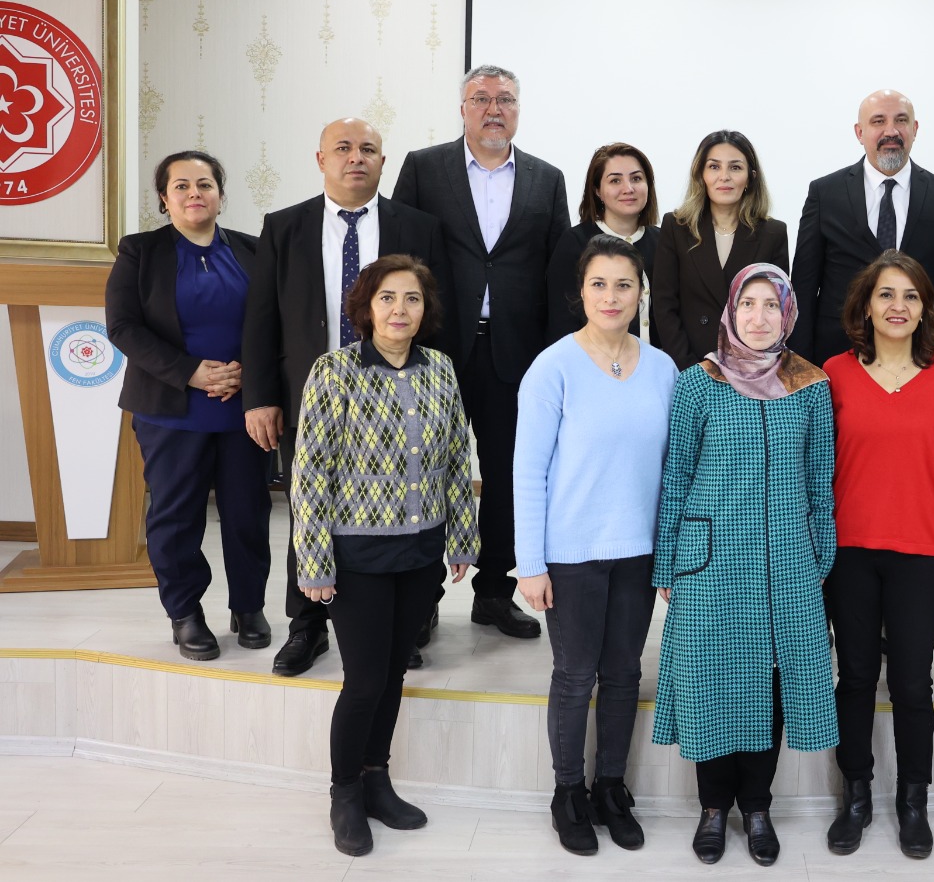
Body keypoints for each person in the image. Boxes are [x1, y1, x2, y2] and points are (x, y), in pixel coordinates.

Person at [243, 118, 451, 677]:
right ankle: (308, 625)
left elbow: (434, 316)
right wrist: (260, 396)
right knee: (310, 504)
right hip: (315, 395)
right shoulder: (285, 226)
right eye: (343, 148)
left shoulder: (417, 226)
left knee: (401, 505)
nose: (355, 157)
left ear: (383, 161)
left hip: (398, 394)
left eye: (368, 149)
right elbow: (261, 317)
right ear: (321, 160)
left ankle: (403, 624)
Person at [291, 254, 479, 858]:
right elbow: (310, 472)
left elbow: (457, 459)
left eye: (412, 299)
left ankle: (377, 778)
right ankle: (344, 791)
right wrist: (314, 562)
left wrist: (462, 537)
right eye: (388, 298)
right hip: (357, 556)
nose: (400, 310)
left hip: (420, 552)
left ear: (426, 310)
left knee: (394, 674)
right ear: (366, 307)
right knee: (365, 680)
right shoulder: (334, 371)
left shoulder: (441, 369)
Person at [652, 263, 836, 868]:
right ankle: (712, 808)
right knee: (711, 679)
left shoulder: (809, 385)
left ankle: (757, 807)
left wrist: (821, 554)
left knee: (771, 683)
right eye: (749, 304)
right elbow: (676, 476)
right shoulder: (698, 383)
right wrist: (668, 563)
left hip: (788, 563)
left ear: (788, 314)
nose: (760, 317)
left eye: (771, 304)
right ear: (731, 311)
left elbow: (820, 481)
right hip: (709, 562)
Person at [391, 64, 570, 641]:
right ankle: (421, 599)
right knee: (424, 472)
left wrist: (555, 356)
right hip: (437, 350)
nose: (495, 109)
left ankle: (493, 591)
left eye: (506, 99)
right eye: (482, 98)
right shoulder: (424, 168)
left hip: (516, 354)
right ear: (463, 108)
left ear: (519, 109)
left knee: (508, 476)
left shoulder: (547, 178)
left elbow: (559, 273)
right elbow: (399, 256)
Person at [514, 237, 677, 855]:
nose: (612, 297)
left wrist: (669, 555)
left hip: (638, 550)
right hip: (571, 553)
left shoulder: (662, 369)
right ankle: (568, 792)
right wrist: (530, 564)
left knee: (624, 673)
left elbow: (673, 470)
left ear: (641, 293)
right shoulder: (552, 367)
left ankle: (611, 786)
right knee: (575, 675)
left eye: (624, 285)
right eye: (599, 284)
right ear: (581, 292)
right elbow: (528, 472)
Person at [823, 251, 934, 861]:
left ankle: (914, 800)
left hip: (924, 552)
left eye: (911, 296)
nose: (897, 306)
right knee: (856, 677)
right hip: (850, 552)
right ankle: (856, 796)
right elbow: (815, 469)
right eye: (886, 294)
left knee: (912, 681)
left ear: (925, 309)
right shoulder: (833, 373)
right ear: (866, 306)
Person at [105, 150, 271, 661]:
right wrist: (191, 372)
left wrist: (245, 371)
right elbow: (123, 327)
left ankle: (249, 606)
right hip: (170, 408)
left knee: (248, 512)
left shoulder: (253, 249)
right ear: (164, 198)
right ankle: (185, 613)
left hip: (243, 408)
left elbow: (274, 321)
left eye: (204, 184)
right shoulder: (140, 251)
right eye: (181, 186)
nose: (194, 193)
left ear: (220, 194)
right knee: (176, 516)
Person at [791, 90, 934, 365]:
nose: (891, 131)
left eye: (901, 120)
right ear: (859, 132)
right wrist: (801, 364)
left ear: (915, 129)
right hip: (836, 354)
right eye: (878, 121)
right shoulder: (825, 193)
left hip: (918, 356)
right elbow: (803, 286)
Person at [652, 130, 789, 371]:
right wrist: (691, 369)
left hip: (750, 369)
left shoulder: (773, 233)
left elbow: (775, 309)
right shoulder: (676, 226)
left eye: (735, 168)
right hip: (689, 365)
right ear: (701, 174)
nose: (724, 177)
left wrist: (750, 369)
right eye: (714, 167)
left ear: (751, 177)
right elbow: (664, 305)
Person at [545, 142, 662, 346]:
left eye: (636, 178)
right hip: (592, 360)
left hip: (657, 361)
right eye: (615, 180)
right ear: (597, 190)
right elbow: (561, 321)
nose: (628, 188)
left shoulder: (663, 241)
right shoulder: (574, 242)